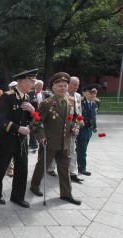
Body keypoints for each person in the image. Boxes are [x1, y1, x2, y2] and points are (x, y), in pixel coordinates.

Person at [30, 72, 82, 205]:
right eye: (60, 86)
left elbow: (75, 118)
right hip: (49, 142)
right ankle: (34, 186)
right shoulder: (47, 103)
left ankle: (66, 194)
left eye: (65, 86)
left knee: (64, 169)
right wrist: (41, 137)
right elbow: (36, 122)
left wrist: (75, 127)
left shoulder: (70, 101)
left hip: (65, 142)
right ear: (53, 87)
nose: (63, 88)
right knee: (42, 166)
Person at [0, 69, 37, 208]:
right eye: (31, 81)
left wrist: (32, 111)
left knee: (22, 169)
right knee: (1, 168)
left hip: (22, 140)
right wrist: (18, 128)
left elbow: (29, 119)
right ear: (22, 82)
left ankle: (17, 196)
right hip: (7, 139)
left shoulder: (27, 97)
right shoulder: (7, 96)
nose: (33, 83)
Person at [77, 84, 99, 176]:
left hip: (89, 129)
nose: (93, 95)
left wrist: (95, 126)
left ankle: (76, 165)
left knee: (81, 148)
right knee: (82, 149)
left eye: (95, 93)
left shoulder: (95, 103)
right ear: (84, 93)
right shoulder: (80, 102)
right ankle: (82, 168)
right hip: (81, 128)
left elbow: (94, 116)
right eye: (91, 92)